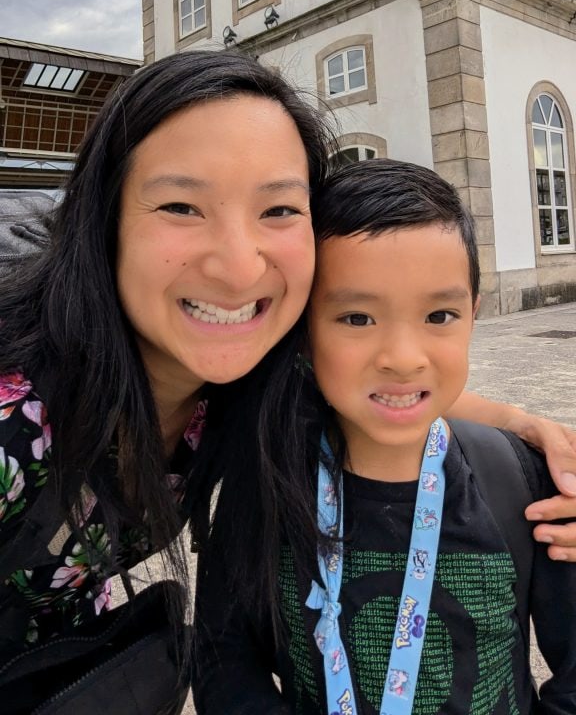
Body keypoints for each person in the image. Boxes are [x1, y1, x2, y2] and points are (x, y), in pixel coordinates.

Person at [0, 51, 573, 713]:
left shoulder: (248, 373)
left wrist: (534, 438)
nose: (241, 267)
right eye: (183, 206)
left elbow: (383, 383)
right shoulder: (16, 420)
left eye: (277, 210)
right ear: (104, 222)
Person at [192, 159, 576, 715]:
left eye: (439, 315)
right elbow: (222, 657)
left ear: (474, 312)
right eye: (356, 319)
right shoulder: (265, 486)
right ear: (302, 333)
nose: (401, 358)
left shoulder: (524, 482)